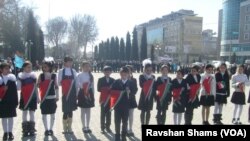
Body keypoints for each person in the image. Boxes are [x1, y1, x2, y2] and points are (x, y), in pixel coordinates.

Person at [110, 67, 134, 141]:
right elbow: (111, 91)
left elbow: (135, 91)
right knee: (117, 121)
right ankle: (117, 135)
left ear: (128, 74)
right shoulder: (116, 82)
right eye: (122, 74)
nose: (123, 76)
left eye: (125, 74)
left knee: (125, 121)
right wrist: (119, 93)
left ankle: (123, 135)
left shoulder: (131, 82)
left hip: (126, 105)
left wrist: (130, 92)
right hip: (117, 105)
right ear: (120, 74)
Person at [17, 61, 39, 136]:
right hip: (24, 96)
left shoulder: (33, 76)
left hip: (33, 97)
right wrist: (19, 81)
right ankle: (25, 129)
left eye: (31, 67)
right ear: (24, 68)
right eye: (28, 67)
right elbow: (18, 88)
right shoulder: (20, 77)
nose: (30, 68)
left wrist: (38, 97)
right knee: (24, 112)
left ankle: (32, 129)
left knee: (32, 112)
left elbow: (36, 88)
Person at [38, 61, 59, 136]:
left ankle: (51, 129)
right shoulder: (41, 76)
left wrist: (57, 96)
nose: (44, 68)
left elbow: (56, 86)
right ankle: (46, 129)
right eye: (43, 67)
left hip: (52, 97)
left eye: (46, 67)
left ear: (50, 67)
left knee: (52, 114)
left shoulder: (54, 76)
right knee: (44, 114)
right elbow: (37, 86)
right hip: (44, 98)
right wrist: (38, 98)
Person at [58, 56, 77, 133]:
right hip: (65, 93)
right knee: (65, 111)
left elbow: (76, 82)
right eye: (68, 61)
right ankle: (64, 128)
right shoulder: (61, 71)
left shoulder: (74, 71)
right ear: (65, 62)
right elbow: (59, 82)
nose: (70, 63)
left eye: (71, 62)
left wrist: (77, 93)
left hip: (72, 93)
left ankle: (70, 127)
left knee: (71, 110)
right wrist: (66, 83)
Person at [0, 63, 18, 140]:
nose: (8, 70)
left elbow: (15, 91)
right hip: (2, 101)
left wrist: (16, 101)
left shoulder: (12, 79)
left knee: (10, 117)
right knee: (3, 118)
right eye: (5, 68)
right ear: (1, 70)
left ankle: (10, 132)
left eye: (8, 68)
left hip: (11, 101)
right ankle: (5, 132)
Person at [77, 61, 95, 133]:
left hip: (89, 94)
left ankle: (88, 126)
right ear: (82, 67)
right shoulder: (79, 75)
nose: (87, 68)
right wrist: (84, 87)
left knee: (88, 111)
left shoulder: (91, 75)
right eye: (85, 66)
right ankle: (83, 126)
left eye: (88, 66)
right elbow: (78, 83)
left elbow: (92, 86)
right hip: (82, 93)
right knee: (83, 111)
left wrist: (93, 95)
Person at [97, 66, 115, 133]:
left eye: (109, 71)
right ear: (103, 72)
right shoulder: (100, 79)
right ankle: (102, 128)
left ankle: (108, 127)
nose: (107, 73)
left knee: (109, 113)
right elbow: (98, 89)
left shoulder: (113, 80)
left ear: (111, 72)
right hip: (103, 99)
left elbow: (114, 89)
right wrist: (107, 88)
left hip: (110, 99)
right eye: (106, 71)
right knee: (103, 113)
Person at [126, 65, 138, 136]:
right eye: (126, 70)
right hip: (124, 100)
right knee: (125, 116)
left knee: (131, 115)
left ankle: (130, 129)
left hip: (131, 99)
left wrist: (130, 91)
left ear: (131, 71)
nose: (128, 71)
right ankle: (125, 129)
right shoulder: (122, 79)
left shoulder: (134, 80)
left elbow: (136, 90)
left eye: (129, 70)